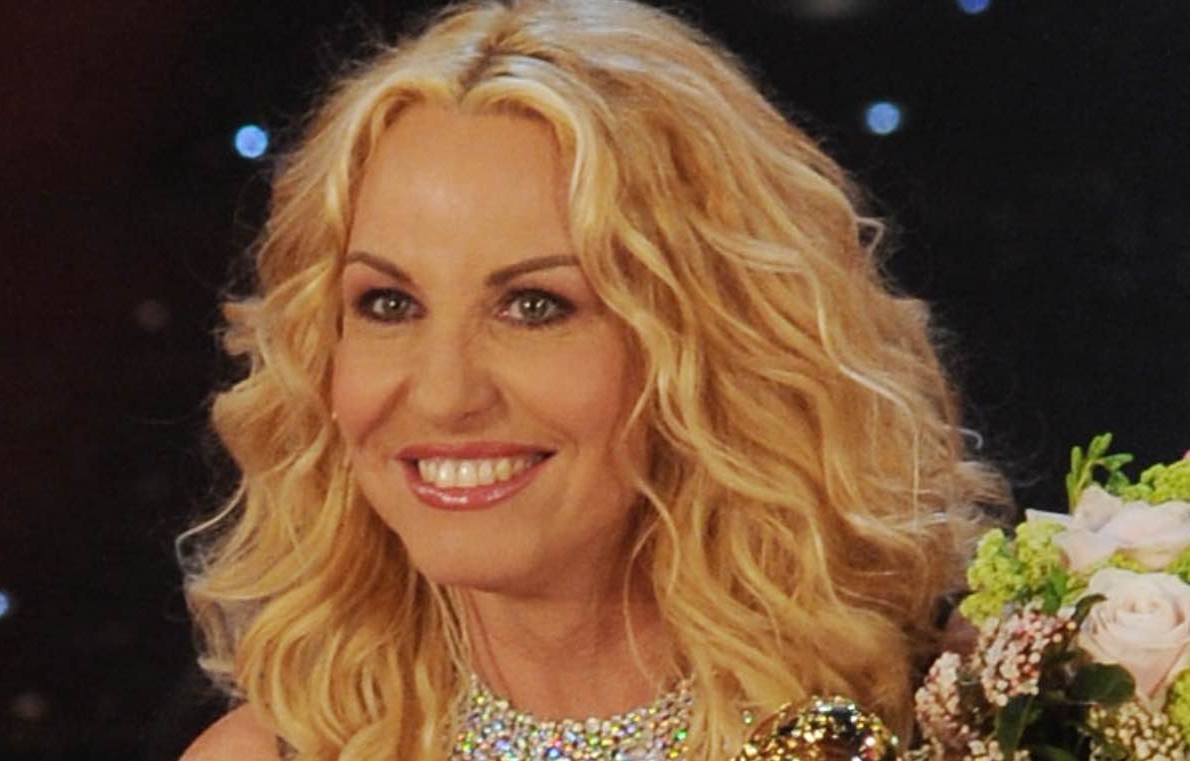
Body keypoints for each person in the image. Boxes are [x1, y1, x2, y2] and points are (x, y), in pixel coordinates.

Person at [178, 1, 1007, 759]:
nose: (442, 393)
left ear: (715, 342)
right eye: (388, 304)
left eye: (534, 305)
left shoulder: (958, 720)